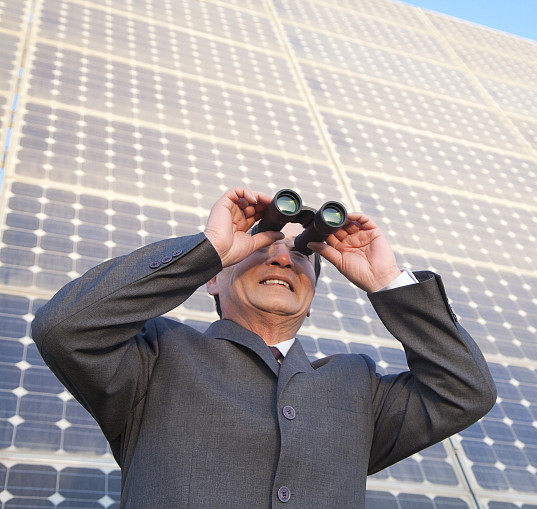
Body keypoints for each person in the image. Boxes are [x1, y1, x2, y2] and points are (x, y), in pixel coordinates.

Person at [31, 187, 497, 508]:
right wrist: (208, 248)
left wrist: (387, 283)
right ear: (213, 280)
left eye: (303, 255)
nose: (281, 257)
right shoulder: (155, 360)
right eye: (263, 246)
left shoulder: (357, 387)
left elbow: (466, 391)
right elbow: (64, 327)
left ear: (312, 299)